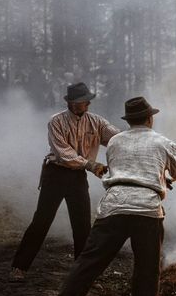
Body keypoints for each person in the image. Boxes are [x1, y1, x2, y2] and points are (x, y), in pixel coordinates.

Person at [34, 96, 176, 296]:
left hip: (114, 208)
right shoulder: (162, 142)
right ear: (150, 118)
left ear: (129, 120)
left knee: (87, 265)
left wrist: (158, 177)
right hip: (146, 212)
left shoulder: (114, 143)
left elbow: (125, 172)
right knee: (146, 269)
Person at [10, 83, 120, 281]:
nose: (86, 104)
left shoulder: (97, 122)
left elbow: (116, 139)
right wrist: (92, 165)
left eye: (87, 101)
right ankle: (19, 267)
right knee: (41, 222)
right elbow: (65, 153)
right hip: (56, 174)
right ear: (70, 102)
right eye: (81, 101)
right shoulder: (56, 122)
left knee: (83, 226)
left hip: (78, 178)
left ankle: (82, 274)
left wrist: (136, 142)